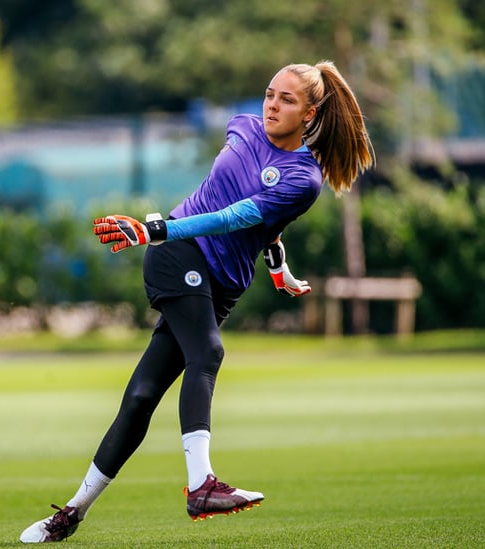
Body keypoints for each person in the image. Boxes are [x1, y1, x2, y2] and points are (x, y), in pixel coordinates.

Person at [20, 60, 374, 544]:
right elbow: (226, 207)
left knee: (142, 396)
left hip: (219, 283)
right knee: (207, 353)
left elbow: (246, 218)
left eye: (286, 100)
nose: (271, 105)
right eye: (270, 94)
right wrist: (157, 232)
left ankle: (72, 513)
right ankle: (202, 485)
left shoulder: (304, 179)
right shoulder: (242, 127)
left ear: (311, 114)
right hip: (177, 254)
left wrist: (277, 267)